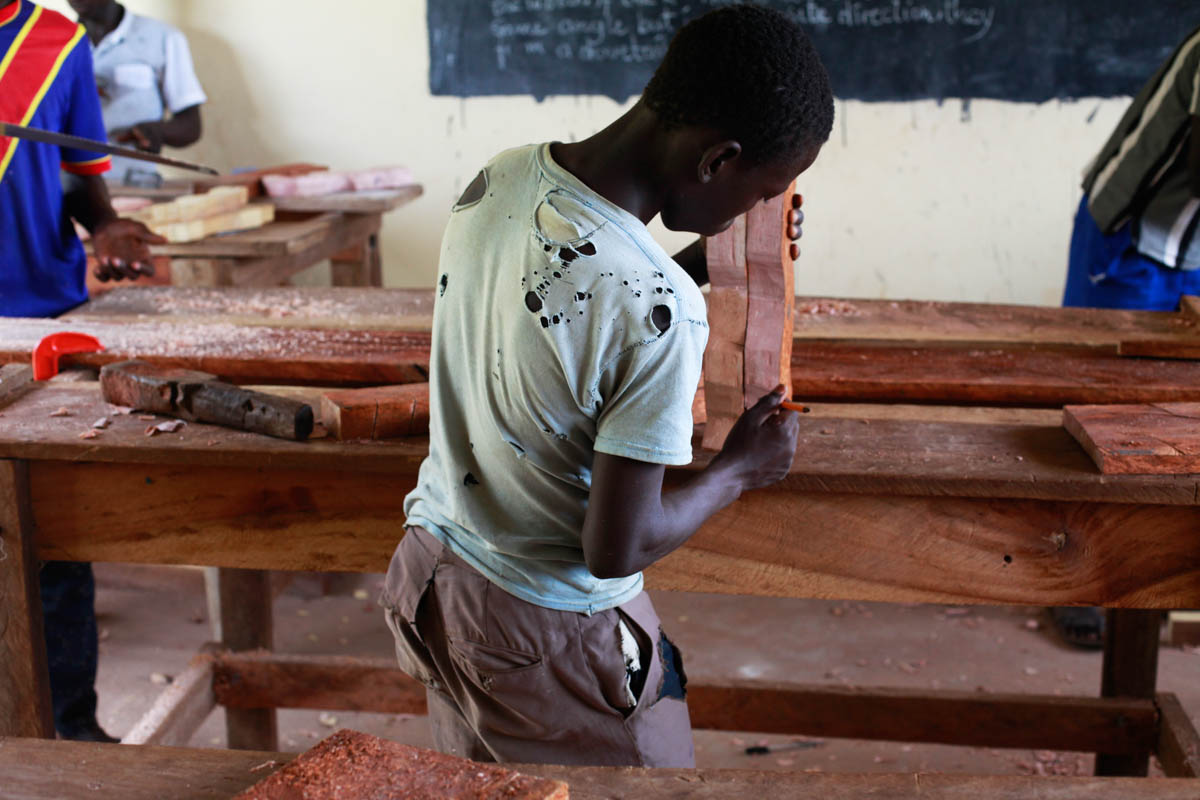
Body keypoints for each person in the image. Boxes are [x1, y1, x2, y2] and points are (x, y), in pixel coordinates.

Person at [382, 5, 833, 767]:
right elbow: (616, 547)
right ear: (717, 160)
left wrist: (706, 267)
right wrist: (737, 471)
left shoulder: (504, 175)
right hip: (541, 632)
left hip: (434, 576)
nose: (759, 208)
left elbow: (568, 302)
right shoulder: (659, 313)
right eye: (764, 189)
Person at [1, 0, 163, 741]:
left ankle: (72, 723)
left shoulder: (57, 38)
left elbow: (75, 177)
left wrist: (107, 227)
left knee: (52, 536)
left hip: (41, 317)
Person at [1056, 25, 1200, 647]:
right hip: (1131, 230)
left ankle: (1153, 570)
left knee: (1181, 406)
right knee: (1102, 406)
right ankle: (1077, 571)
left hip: (1191, 244)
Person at [67, 0, 205, 186]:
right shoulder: (56, 41)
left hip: (132, 184)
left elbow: (190, 127)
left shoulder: (162, 37)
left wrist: (154, 131)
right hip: (69, 185)